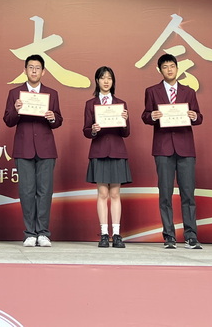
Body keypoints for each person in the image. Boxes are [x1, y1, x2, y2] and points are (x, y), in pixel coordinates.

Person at [142, 54, 203, 249]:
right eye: (165, 67)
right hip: (163, 147)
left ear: (177, 68)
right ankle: (169, 236)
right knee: (165, 194)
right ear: (160, 70)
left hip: (185, 148)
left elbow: (199, 116)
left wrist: (194, 116)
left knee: (188, 194)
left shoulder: (189, 91)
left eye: (172, 66)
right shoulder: (152, 91)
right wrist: (152, 115)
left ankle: (191, 236)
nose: (169, 70)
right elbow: (145, 115)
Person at [3, 54, 63, 247]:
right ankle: (30, 233)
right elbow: (8, 120)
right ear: (25, 70)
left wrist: (52, 117)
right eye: (31, 67)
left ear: (43, 71)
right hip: (24, 149)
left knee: (45, 192)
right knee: (26, 191)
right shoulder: (15, 93)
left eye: (37, 68)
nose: (34, 71)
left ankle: (43, 233)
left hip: (46, 149)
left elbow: (58, 121)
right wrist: (16, 109)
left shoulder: (51, 93)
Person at [82, 66, 131, 248]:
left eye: (109, 78)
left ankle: (116, 234)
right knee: (102, 193)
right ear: (97, 80)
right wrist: (93, 130)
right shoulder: (90, 104)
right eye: (102, 77)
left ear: (113, 81)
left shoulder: (121, 104)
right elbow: (86, 130)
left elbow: (126, 133)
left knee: (115, 193)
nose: (106, 81)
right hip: (99, 151)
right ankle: (104, 234)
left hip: (117, 151)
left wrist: (125, 120)